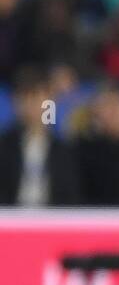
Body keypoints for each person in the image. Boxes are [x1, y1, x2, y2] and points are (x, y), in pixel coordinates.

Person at [0, 66, 80, 206]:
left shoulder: (65, 149)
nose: (32, 105)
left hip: (53, 221)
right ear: (16, 103)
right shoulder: (4, 146)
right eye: (25, 98)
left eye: (37, 97)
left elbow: (71, 195)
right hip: (9, 220)